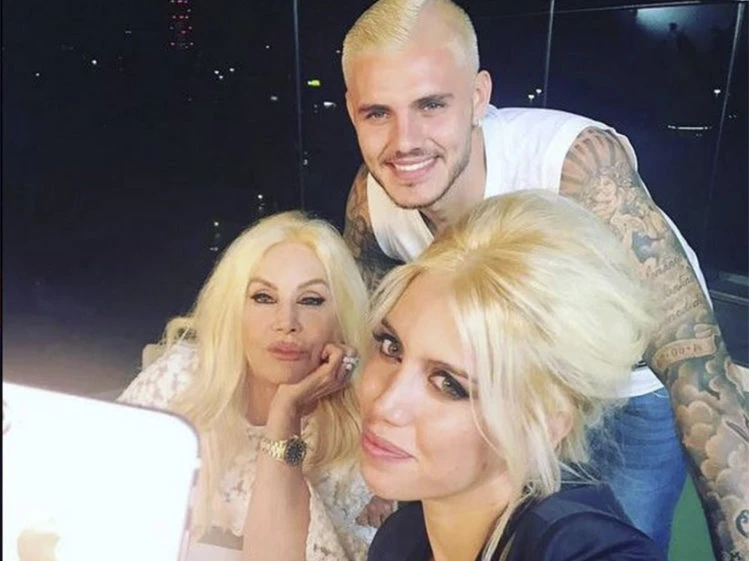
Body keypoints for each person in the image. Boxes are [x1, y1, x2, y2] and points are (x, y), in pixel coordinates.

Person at [339, 0, 748, 557]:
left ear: (478, 96)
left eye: (431, 104)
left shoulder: (575, 167)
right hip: (492, 388)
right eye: (377, 113)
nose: (405, 140)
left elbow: (700, 378)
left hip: (625, 388)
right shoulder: (373, 202)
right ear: (352, 110)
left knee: (617, 531)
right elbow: (375, 333)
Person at [359, 190, 665, 561]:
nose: (385, 404)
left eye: (448, 384)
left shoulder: (584, 550)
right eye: (391, 347)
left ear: (547, 424)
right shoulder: (399, 539)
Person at [119, 211, 383, 561]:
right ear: (234, 309)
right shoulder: (179, 379)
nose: (286, 323)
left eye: (310, 300)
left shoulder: (358, 431)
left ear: (341, 319)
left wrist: (285, 412)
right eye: (263, 297)